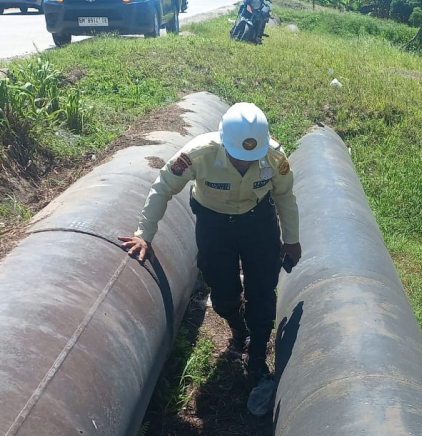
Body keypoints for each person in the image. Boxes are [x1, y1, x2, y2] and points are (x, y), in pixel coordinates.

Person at [119, 102, 301, 391]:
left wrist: (291, 239)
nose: (245, 163)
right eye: (238, 157)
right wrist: (145, 233)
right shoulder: (198, 154)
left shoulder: (274, 157)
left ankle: (256, 356)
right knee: (223, 293)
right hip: (215, 224)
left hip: (259, 222)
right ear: (224, 142)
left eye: (251, 158)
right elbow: (163, 185)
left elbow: (285, 197)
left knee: (263, 291)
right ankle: (238, 328)